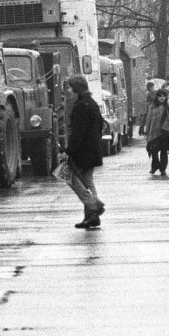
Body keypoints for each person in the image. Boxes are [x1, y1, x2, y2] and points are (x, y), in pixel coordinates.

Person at [61, 75, 106, 229]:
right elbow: (100, 125)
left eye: (69, 87)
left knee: (67, 174)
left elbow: (78, 133)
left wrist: (69, 151)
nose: (68, 91)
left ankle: (94, 205)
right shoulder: (92, 103)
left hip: (83, 151)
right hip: (93, 149)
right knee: (87, 180)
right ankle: (91, 217)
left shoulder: (80, 106)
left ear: (76, 89)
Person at [144, 88, 169, 176]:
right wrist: (147, 130)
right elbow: (149, 119)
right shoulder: (152, 106)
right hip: (154, 133)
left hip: (165, 132)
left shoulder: (168, 106)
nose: (162, 98)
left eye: (164, 96)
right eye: (160, 96)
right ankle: (155, 166)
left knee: (164, 151)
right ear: (157, 97)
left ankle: (163, 169)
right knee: (154, 150)